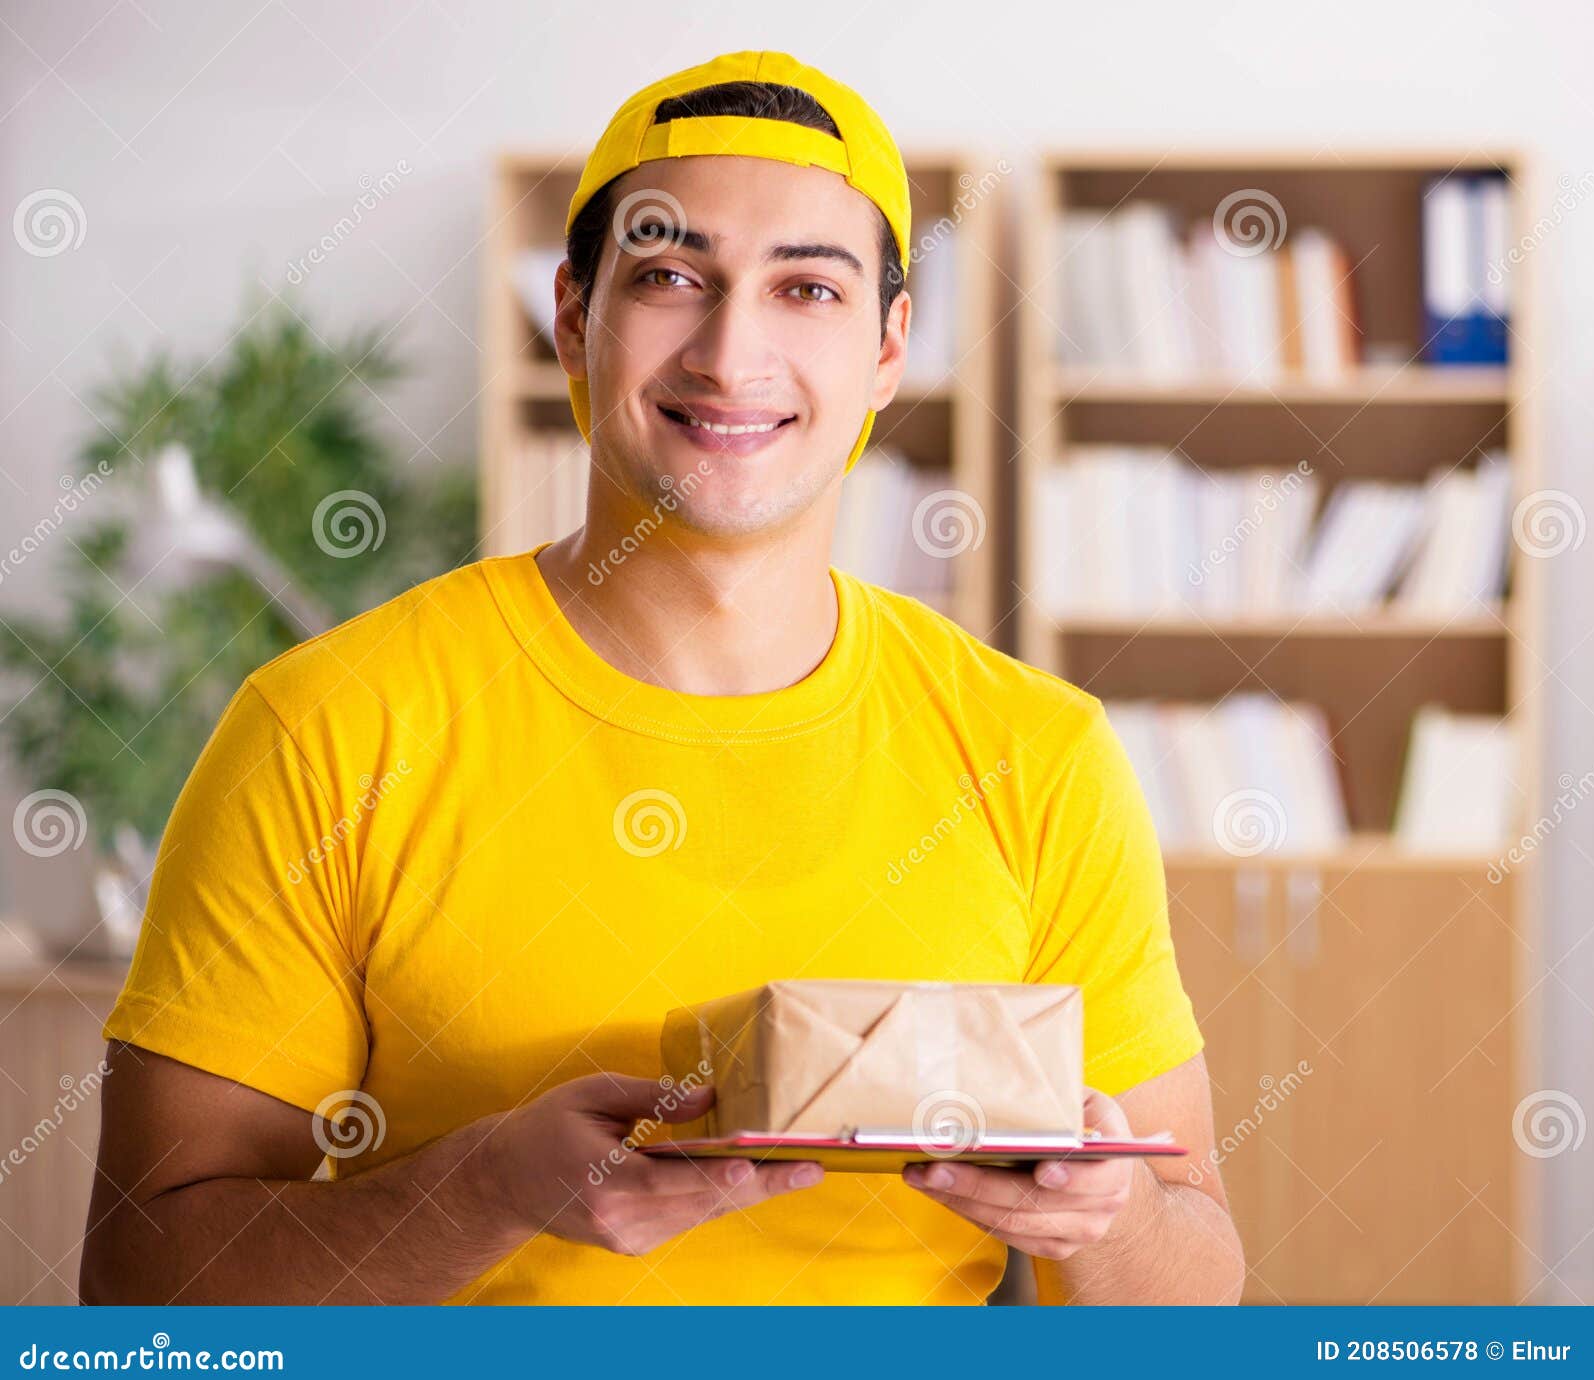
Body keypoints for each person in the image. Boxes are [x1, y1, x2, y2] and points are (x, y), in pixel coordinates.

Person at [81, 50, 1244, 1306]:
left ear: (890, 348)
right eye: (672, 276)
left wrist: (1108, 1217)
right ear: (574, 319)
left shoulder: (1039, 753)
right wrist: (485, 1190)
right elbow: (145, 1290)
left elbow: (1199, 1281)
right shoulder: (328, 728)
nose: (731, 351)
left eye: (807, 287)